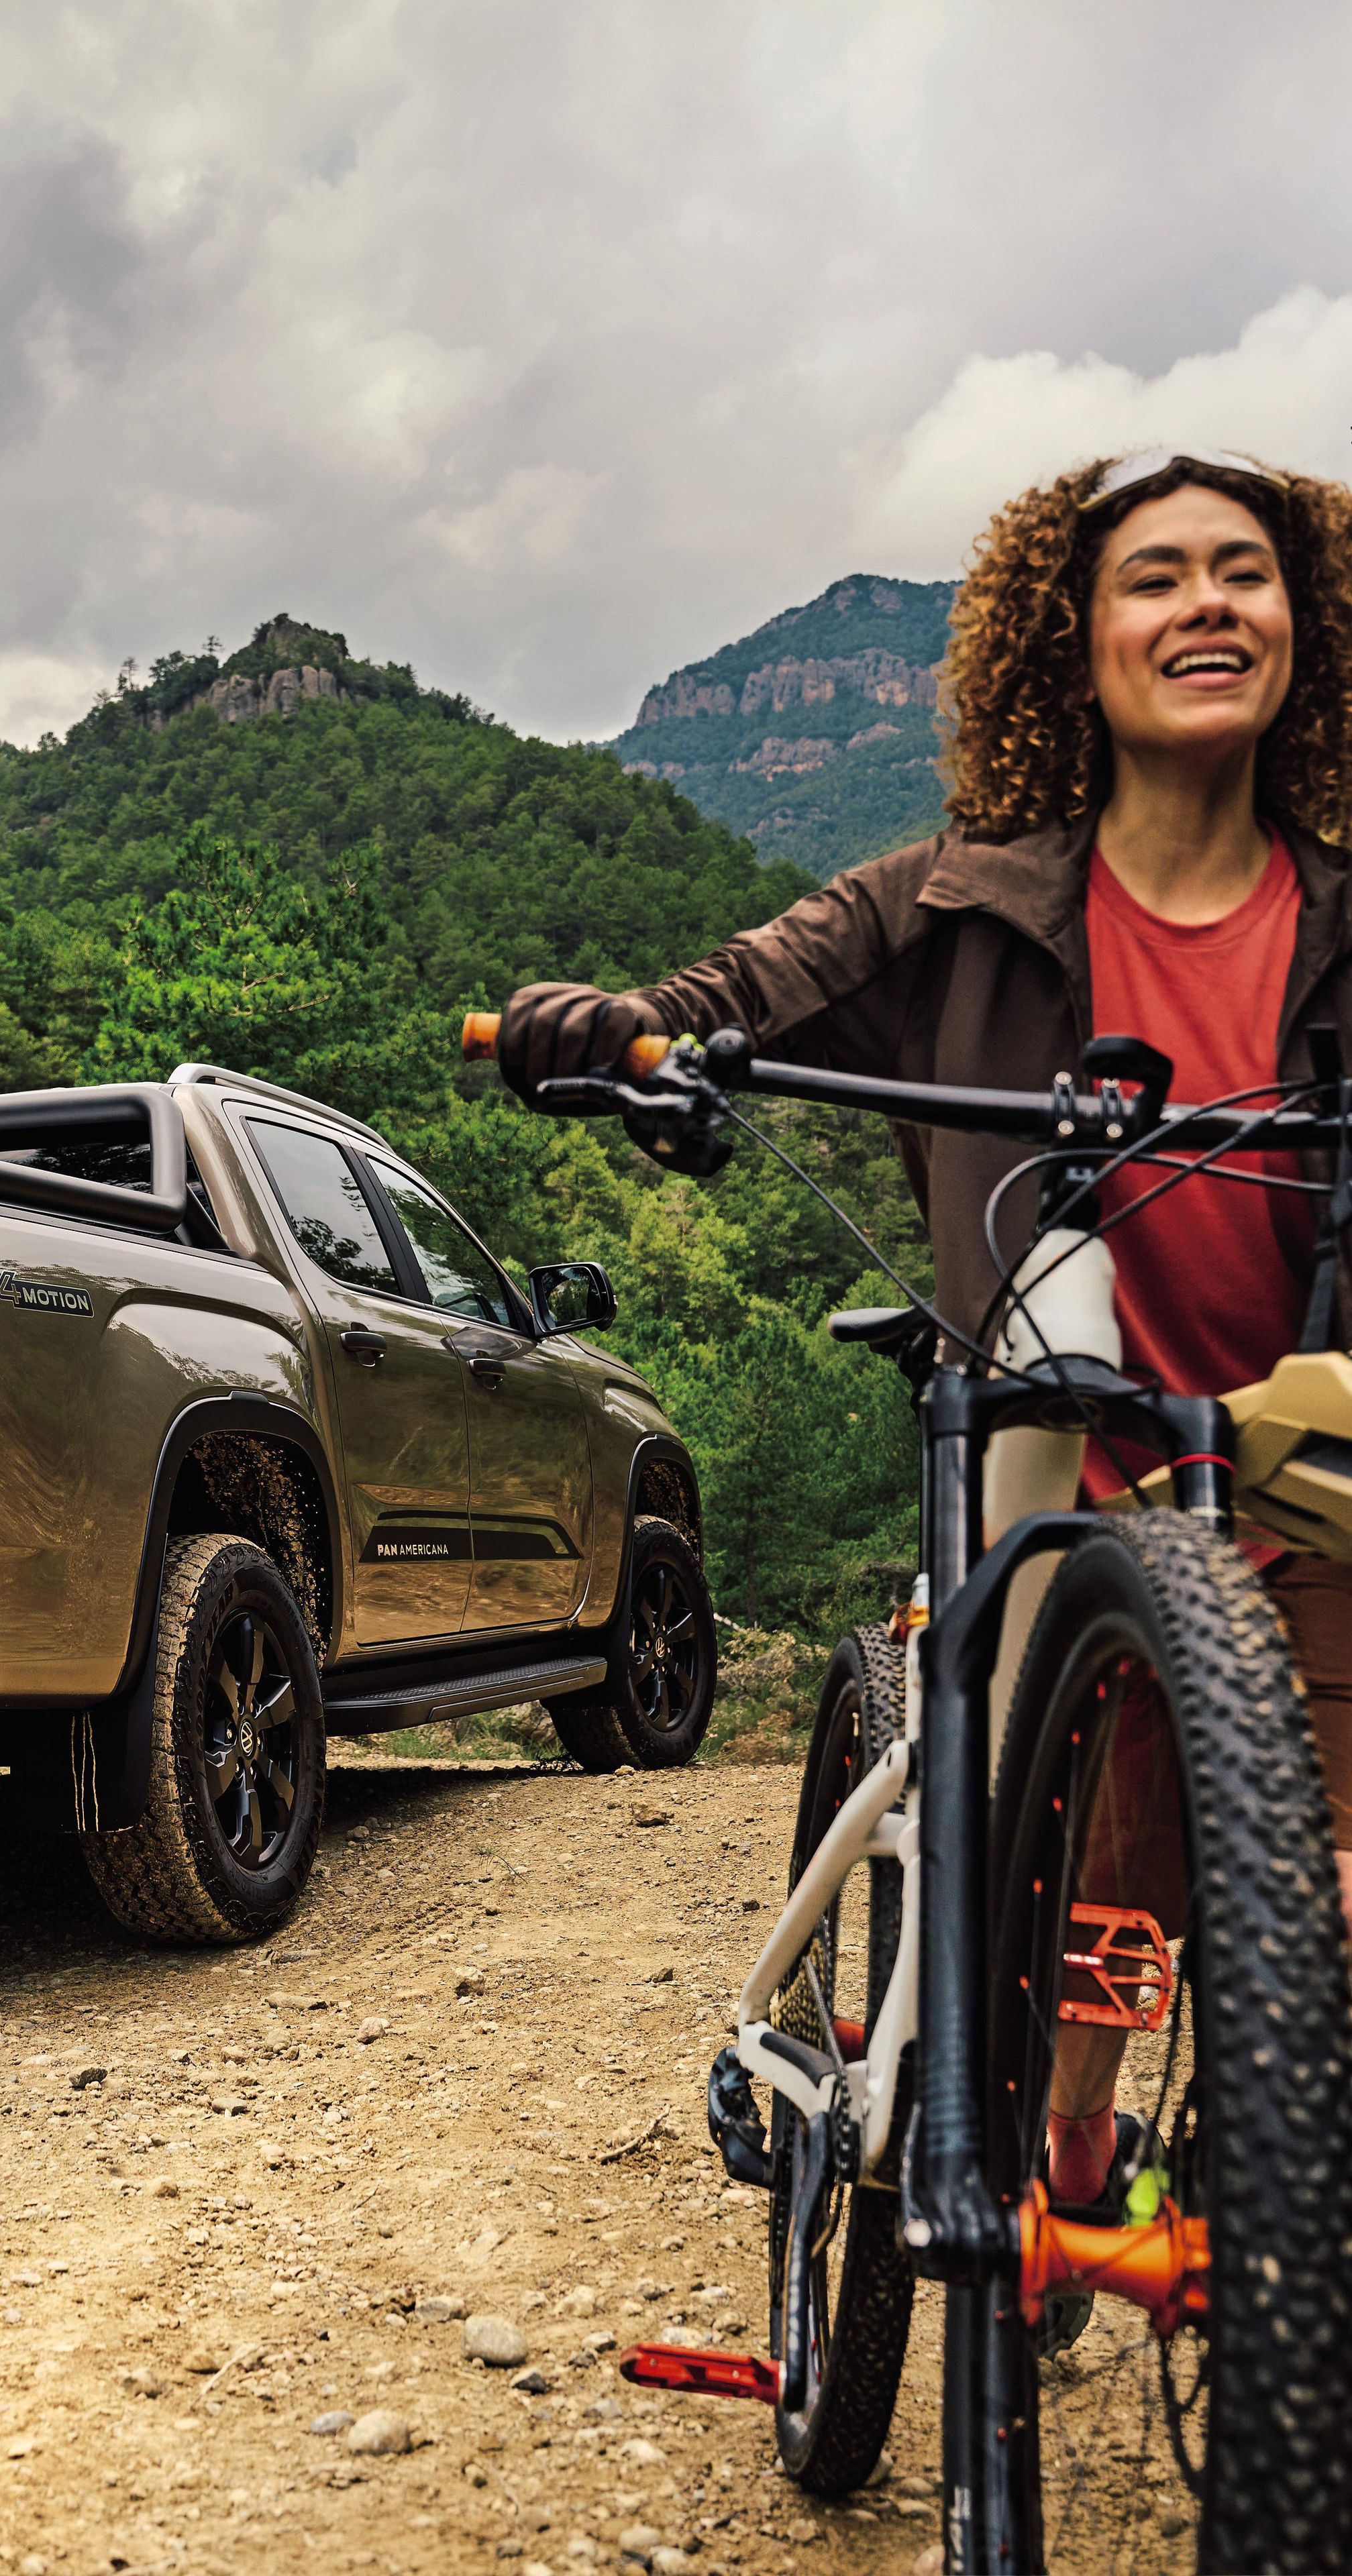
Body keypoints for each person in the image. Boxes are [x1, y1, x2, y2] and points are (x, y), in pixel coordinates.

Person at [497, 447, 1352, 2228]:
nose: (1209, 603)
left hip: (1311, 1454)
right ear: (1075, 641)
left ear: (1305, 626)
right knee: (1080, 1874)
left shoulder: (1346, 917)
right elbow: (722, 1006)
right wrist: (626, 1038)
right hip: (1066, 1443)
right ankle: (1054, 2142)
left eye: (1246, 572)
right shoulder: (947, 901)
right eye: (1157, 576)